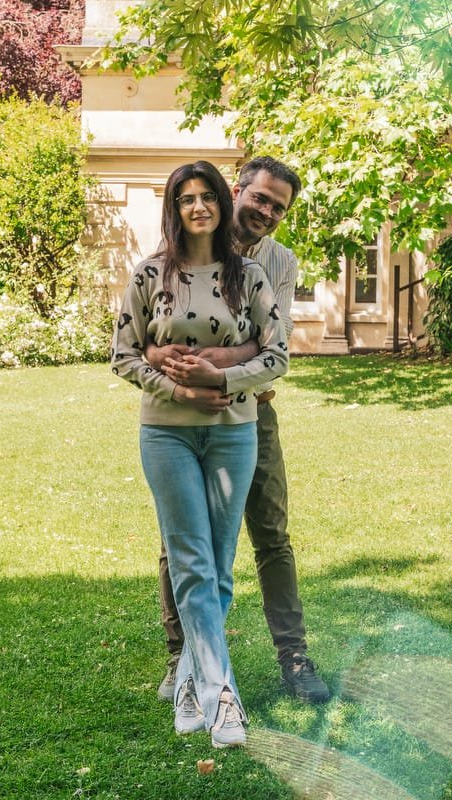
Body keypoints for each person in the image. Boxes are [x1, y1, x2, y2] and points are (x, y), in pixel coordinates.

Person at [111, 160, 289, 749]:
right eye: (185, 199)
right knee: (190, 560)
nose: (197, 208)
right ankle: (223, 696)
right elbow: (124, 355)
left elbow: (277, 356)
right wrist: (179, 390)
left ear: (220, 201)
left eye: (205, 196)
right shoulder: (149, 274)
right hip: (165, 432)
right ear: (175, 207)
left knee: (218, 564)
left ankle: (189, 682)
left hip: (234, 431)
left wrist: (221, 380)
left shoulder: (251, 277)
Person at [149, 157, 331, 705]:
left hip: (252, 411)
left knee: (271, 535)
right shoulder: (183, 246)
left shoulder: (279, 261)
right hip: (182, 414)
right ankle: (183, 658)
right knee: (180, 542)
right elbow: (151, 336)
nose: (268, 212)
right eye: (261, 198)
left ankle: (294, 657)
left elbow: (272, 341)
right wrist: (173, 359)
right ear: (238, 190)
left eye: (279, 207)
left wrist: (220, 364)